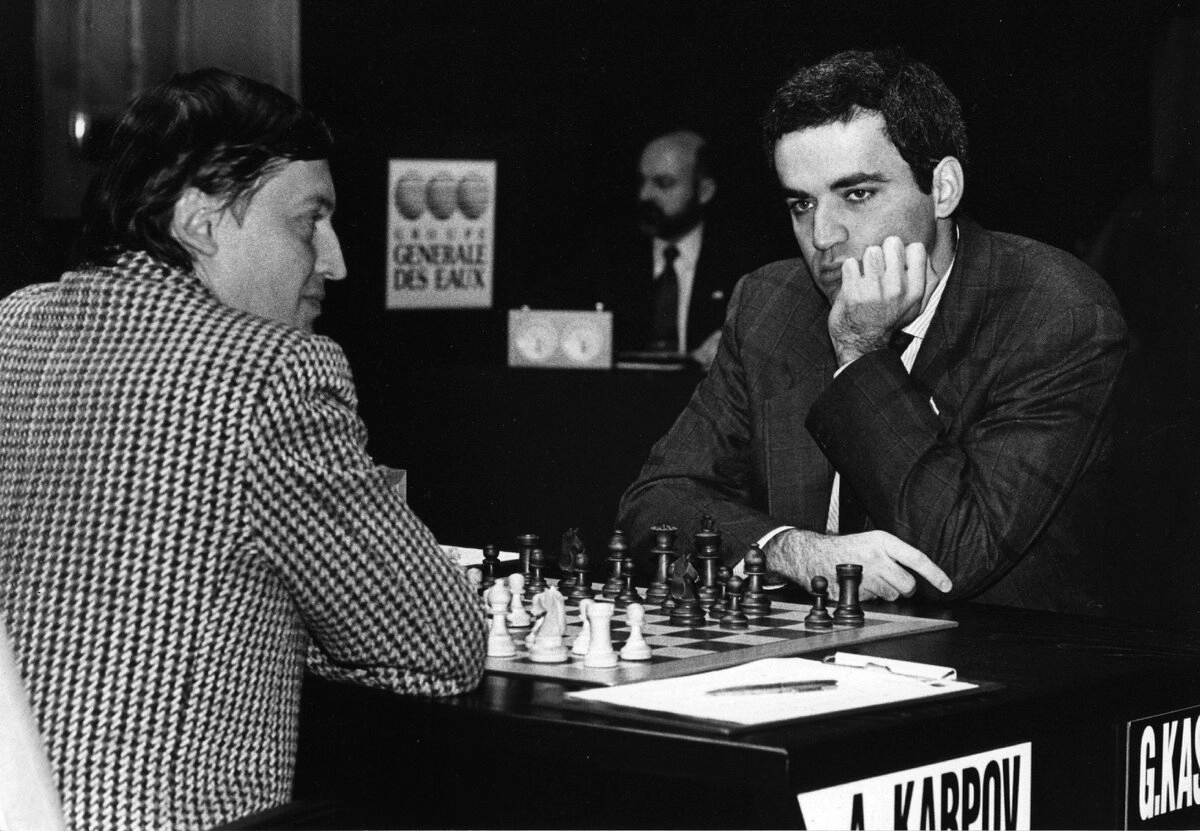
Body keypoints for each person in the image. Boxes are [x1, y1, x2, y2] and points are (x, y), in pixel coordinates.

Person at [0, 68, 487, 830]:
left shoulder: (12, 328)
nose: (335, 261)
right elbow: (440, 640)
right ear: (199, 219)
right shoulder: (272, 372)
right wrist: (290, 606)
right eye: (308, 222)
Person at [618, 48, 1127, 614]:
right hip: (813, 649)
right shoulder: (771, 303)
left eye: (857, 194)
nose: (823, 235)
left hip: (998, 652)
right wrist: (792, 551)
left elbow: (955, 557)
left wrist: (860, 352)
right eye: (801, 204)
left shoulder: (1055, 313)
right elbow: (655, 501)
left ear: (942, 189)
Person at [568, 129, 768, 368]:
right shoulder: (608, 256)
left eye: (663, 183)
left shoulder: (743, 261)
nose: (645, 195)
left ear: (704, 191)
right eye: (642, 181)